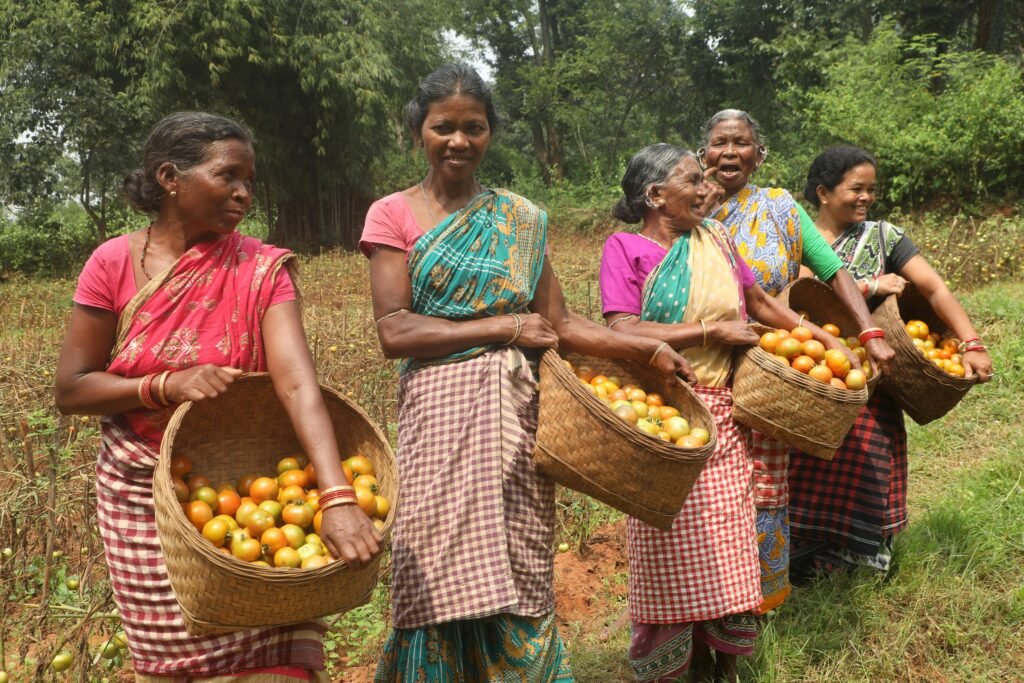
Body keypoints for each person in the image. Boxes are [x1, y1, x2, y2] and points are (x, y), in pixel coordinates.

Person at [360, 65, 693, 682]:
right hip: (437, 413)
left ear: (490, 134)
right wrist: (502, 328)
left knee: (518, 561)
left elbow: (559, 321)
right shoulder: (392, 214)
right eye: (443, 128)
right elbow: (395, 331)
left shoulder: (520, 219)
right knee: (433, 562)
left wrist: (642, 352)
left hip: (515, 411)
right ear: (418, 133)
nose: (459, 141)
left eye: (474, 128)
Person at [54, 112, 382, 681]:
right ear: (169, 177)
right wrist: (164, 386)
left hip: (244, 484)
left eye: (250, 180)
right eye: (228, 175)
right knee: (173, 663)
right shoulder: (112, 264)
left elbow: (298, 381)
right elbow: (72, 388)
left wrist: (335, 494)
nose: (244, 193)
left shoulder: (261, 268)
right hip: (143, 492)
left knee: (281, 658)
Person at [599, 143, 853, 683]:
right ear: (654, 195)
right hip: (662, 422)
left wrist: (826, 342)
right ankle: (678, 669)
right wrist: (710, 332)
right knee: (668, 557)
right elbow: (621, 330)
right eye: (691, 181)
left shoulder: (715, 237)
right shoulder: (626, 248)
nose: (704, 189)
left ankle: (725, 668)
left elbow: (761, 305)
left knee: (730, 549)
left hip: (725, 413)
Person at [698, 109, 895, 614]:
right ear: (703, 154)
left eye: (741, 143)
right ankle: (707, 600)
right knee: (706, 485)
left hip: (778, 363)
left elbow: (833, 271)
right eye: (719, 143)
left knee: (764, 484)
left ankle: (760, 605)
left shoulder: (780, 207)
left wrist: (867, 331)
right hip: (703, 362)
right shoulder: (684, 209)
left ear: (759, 155)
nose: (729, 153)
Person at [788, 145, 994, 577]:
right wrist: (868, 284)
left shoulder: (885, 238)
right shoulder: (793, 235)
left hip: (875, 373)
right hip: (809, 373)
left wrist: (970, 341)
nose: (866, 198)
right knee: (806, 465)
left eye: (872, 190)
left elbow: (934, 290)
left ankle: (861, 558)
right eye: (855, 189)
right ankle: (799, 558)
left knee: (869, 458)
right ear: (823, 192)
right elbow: (791, 291)